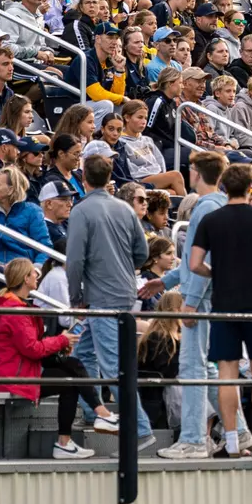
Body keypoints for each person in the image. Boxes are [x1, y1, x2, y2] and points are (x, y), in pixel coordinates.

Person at [189, 163, 252, 458]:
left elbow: (195, 264)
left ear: (224, 186)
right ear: (250, 188)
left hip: (223, 305)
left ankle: (233, 441)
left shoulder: (212, 219)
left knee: (227, 374)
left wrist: (216, 273)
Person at [67, 154, 155, 447]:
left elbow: (74, 260)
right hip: (123, 291)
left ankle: (140, 428)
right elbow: (142, 252)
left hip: (102, 297)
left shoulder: (81, 210)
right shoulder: (125, 209)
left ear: (83, 178)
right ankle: (94, 412)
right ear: (109, 179)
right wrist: (124, 267)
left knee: (113, 363)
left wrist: (75, 298)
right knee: (81, 356)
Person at [0, 258, 115, 461]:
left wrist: (60, 344)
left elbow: (32, 347)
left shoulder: (18, 306)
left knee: (72, 367)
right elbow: (32, 349)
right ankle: (91, 422)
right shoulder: (15, 311)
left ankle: (93, 420)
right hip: (13, 377)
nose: (37, 276)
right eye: (34, 273)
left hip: (21, 370)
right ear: (25, 278)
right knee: (70, 380)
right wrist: (61, 340)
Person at [0, 166, 51, 263]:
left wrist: (37, 268)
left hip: (23, 268)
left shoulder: (32, 211)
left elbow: (44, 247)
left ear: (10, 190)